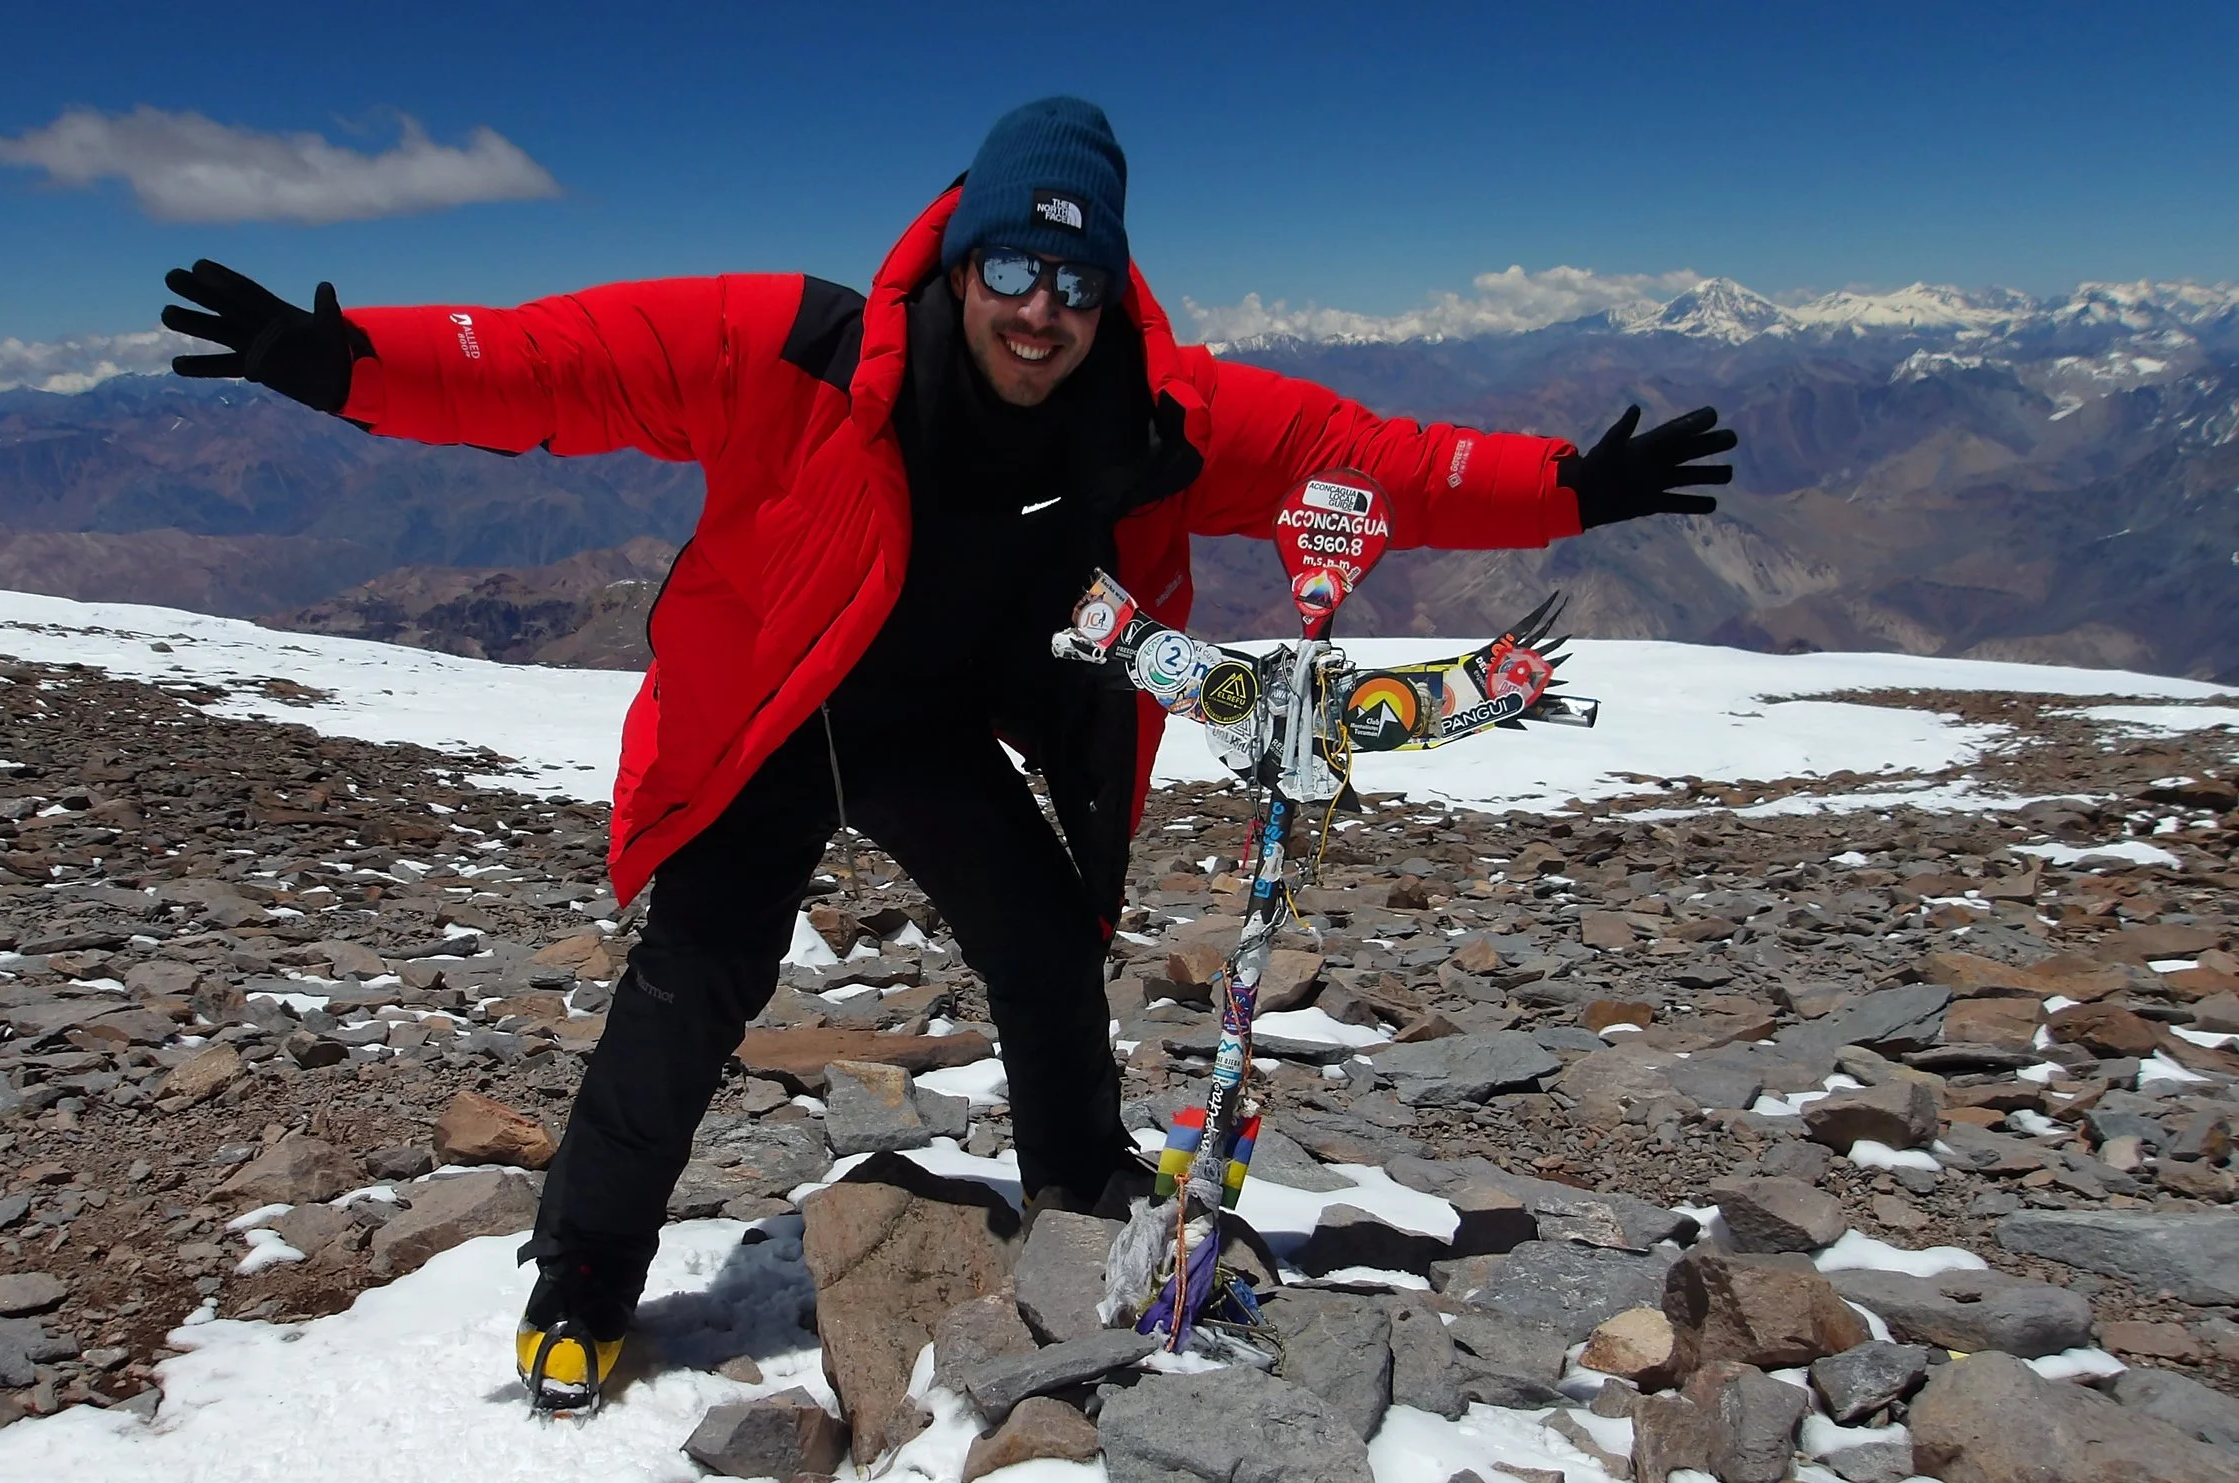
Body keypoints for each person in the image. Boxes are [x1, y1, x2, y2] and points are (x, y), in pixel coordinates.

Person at [161, 97, 1735, 1409]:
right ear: (961, 256)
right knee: (697, 977)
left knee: (1045, 943)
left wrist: (1565, 488)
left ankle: (1077, 1192)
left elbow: (1369, 460)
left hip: (922, 730)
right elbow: (561, 368)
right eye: (1012, 264)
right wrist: (352, 365)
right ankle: (583, 1269)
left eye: (1073, 277)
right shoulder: (802, 347)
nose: (1039, 310)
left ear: (1108, 290)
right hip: (779, 713)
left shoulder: (1155, 414)